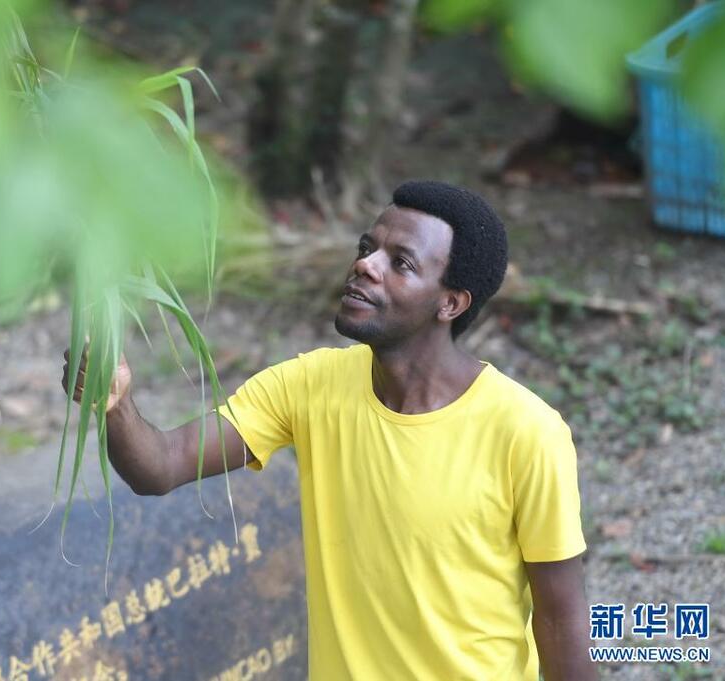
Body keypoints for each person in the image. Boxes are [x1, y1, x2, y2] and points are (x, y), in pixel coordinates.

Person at [62, 180, 597, 681]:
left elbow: (560, 620)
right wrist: (117, 405)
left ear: (450, 303)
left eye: (400, 262)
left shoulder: (526, 432)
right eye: (368, 247)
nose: (365, 264)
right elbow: (162, 466)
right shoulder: (309, 385)